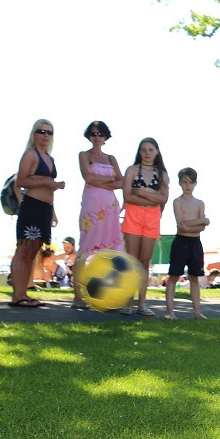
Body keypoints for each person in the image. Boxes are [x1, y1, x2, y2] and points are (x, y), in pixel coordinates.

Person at [10, 119, 63, 308]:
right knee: (23, 250)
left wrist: (53, 212)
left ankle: (24, 292)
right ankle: (17, 295)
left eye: (49, 132)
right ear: (34, 134)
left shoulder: (50, 158)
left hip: (45, 209)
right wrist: (46, 182)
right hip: (31, 206)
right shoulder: (30, 155)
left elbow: (48, 186)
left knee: (33, 253)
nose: (45, 135)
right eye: (41, 131)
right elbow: (21, 181)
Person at [74, 120, 124, 309]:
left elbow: (121, 181)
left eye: (100, 134)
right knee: (85, 249)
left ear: (105, 137)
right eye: (94, 134)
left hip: (110, 208)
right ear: (89, 135)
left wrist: (100, 181)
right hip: (91, 208)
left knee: (112, 251)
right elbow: (87, 177)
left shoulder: (111, 158)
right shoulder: (84, 155)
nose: (97, 137)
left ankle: (107, 294)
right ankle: (78, 296)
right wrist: (108, 180)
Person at [121, 137, 170, 315]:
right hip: (133, 215)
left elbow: (163, 199)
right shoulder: (132, 170)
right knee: (131, 259)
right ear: (139, 152)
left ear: (157, 151)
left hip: (152, 218)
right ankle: (128, 301)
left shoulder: (162, 173)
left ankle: (142, 303)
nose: (147, 153)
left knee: (145, 261)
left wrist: (140, 191)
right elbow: (127, 196)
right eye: (143, 149)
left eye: (150, 149)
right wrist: (151, 195)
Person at [165, 167, 209, 320]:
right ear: (180, 183)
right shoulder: (178, 202)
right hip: (181, 241)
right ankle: (170, 312)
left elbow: (201, 229)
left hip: (195, 242)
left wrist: (198, 224)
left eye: (190, 182)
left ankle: (197, 312)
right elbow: (181, 225)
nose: (187, 186)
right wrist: (202, 220)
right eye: (184, 182)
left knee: (194, 278)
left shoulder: (199, 203)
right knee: (173, 276)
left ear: (195, 183)